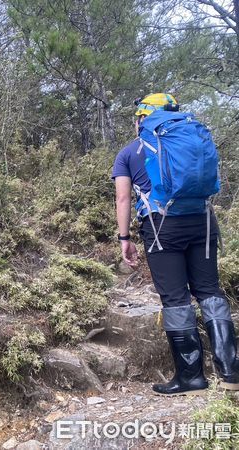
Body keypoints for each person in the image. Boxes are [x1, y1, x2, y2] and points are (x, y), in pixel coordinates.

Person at [112, 93, 239, 396]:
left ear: (142, 118)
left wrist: (125, 238)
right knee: (209, 291)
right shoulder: (194, 139)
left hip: (161, 228)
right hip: (203, 221)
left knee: (176, 298)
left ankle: (191, 377)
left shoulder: (129, 152)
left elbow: (123, 197)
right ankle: (231, 372)